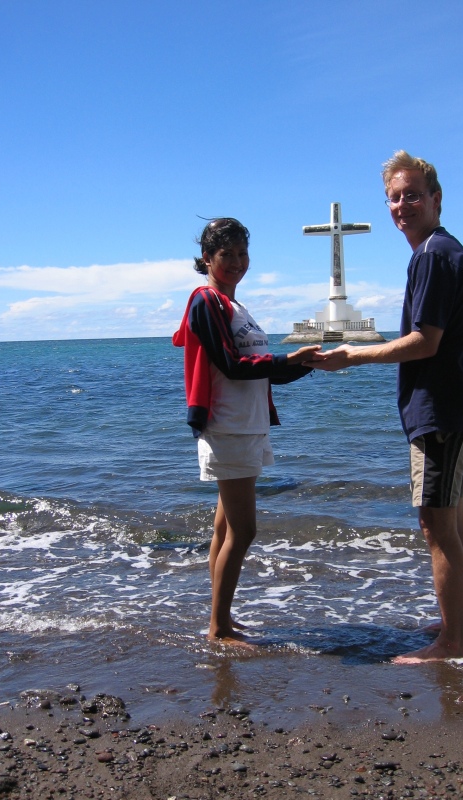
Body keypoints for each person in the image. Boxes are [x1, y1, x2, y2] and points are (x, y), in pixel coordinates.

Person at [306, 151, 463, 663]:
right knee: (452, 517)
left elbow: (425, 342)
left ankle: (450, 643)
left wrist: (352, 357)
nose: (401, 204)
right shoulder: (437, 251)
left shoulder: (433, 253)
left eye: (411, 194)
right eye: (393, 196)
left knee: (436, 523)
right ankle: (458, 623)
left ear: (435, 199)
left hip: (442, 408)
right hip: (449, 404)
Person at [173, 218, 319, 646]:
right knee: (244, 531)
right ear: (207, 259)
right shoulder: (206, 300)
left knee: (224, 530)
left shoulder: (239, 309)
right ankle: (218, 628)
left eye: (242, 253)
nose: (236, 262)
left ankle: (222, 619)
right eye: (226, 255)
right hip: (228, 427)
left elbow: (260, 375)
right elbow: (231, 367)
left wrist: (307, 364)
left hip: (249, 426)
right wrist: (289, 359)